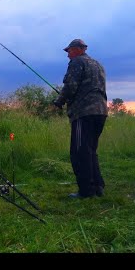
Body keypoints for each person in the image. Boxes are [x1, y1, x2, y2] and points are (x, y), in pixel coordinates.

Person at [53, 39, 108, 199]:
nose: (68, 55)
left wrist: (59, 102)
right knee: (90, 150)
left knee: (79, 152)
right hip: (101, 111)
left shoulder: (77, 62)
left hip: (83, 113)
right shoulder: (97, 64)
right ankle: (98, 187)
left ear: (77, 50)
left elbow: (70, 86)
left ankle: (86, 191)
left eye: (69, 51)